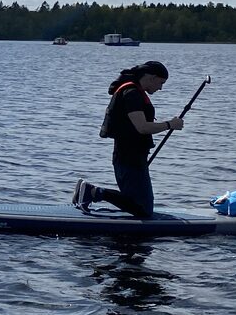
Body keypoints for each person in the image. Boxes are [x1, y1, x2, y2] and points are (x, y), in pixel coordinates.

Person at [74, 60, 184, 218]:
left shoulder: (133, 91)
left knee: (138, 204)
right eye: (161, 82)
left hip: (130, 156)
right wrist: (170, 124)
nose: (161, 88)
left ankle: (88, 191)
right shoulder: (132, 94)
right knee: (143, 210)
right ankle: (93, 192)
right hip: (129, 158)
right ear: (151, 77)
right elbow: (142, 127)